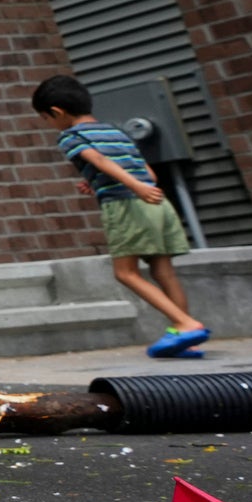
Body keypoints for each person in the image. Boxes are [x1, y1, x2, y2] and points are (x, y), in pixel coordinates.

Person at [30, 74, 209, 359]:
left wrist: (132, 186)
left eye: (45, 119)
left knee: (125, 272)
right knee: (164, 270)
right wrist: (101, 180)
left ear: (56, 112)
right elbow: (144, 171)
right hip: (157, 204)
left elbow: (99, 161)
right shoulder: (114, 131)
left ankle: (186, 324)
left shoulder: (71, 136)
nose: (49, 125)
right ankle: (189, 338)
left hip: (128, 204)